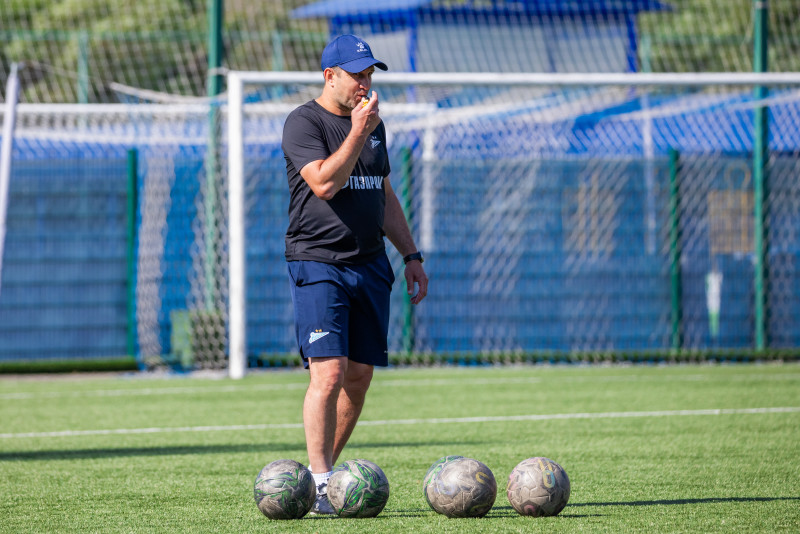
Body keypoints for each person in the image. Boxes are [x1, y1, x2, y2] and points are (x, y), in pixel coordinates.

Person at [281, 34, 428, 515]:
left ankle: (321, 481)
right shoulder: (304, 122)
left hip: (370, 264)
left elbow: (382, 193)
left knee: (359, 377)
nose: (364, 83)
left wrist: (411, 254)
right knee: (328, 374)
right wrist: (359, 132)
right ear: (330, 76)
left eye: (368, 74)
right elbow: (324, 183)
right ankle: (321, 481)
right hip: (319, 261)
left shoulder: (373, 126)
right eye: (355, 74)